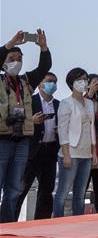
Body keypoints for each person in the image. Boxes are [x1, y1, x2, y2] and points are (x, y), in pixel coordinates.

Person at [0, 30, 51, 223]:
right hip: (2, 139)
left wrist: (43, 48)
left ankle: (7, 225)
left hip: (22, 139)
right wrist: (10, 43)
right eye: (12, 59)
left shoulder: (25, 82)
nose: (17, 62)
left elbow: (44, 67)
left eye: (20, 59)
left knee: (15, 188)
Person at [14, 71, 60, 220]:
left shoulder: (58, 104)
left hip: (50, 151)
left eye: (55, 82)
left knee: (46, 191)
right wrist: (31, 121)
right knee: (20, 189)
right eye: (49, 81)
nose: (52, 84)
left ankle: (41, 223)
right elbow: (16, 121)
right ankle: (10, 222)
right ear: (40, 84)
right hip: (31, 152)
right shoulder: (29, 101)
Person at [53, 67, 98, 217]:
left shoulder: (89, 103)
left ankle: (78, 221)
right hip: (71, 152)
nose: (83, 82)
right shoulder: (66, 103)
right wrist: (66, 155)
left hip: (86, 153)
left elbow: (92, 127)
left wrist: (94, 152)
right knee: (63, 192)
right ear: (71, 83)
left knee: (80, 193)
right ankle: (58, 220)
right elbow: (62, 130)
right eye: (79, 79)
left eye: (85, 79)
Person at [85, 73, 98, 212]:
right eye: (94, 83)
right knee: (81, 187)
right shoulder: (81, 101)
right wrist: (90, 93)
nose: (97, 85)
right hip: (85, 150)